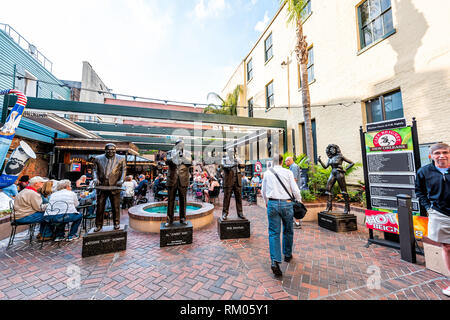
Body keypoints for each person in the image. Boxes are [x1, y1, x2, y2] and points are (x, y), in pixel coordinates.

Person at [415, 143, 450, 297]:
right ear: (431, 156)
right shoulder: (424, 172)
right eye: (437, 153)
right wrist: (429, 208)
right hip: (439, 214)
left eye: (445, 152)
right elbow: (419, 191)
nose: (441, 155)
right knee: (447, 247)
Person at [261, 155, 301, 277]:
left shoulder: (267, 173)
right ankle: (287, 255)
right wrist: (299, 201)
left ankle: (275, 261)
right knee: (288, 230)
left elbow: (263, 191)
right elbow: (295, 190)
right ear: (282, 162)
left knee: (273, 233)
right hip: (287, 204)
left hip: (272, 203)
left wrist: (266, 202)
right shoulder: (287, 172)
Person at [92, 143, 127, 231]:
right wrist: (95, 178)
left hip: (115, 186)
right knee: (100, 207)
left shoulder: (121, 159)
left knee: (115, 207)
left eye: (113, 150)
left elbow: (124, 170)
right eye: (109, 150)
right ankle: (98, 225)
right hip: (102, 186)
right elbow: (94, 170)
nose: (111, 151)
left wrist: (121, 180)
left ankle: (116, 223)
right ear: (105, 150)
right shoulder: (98, 158)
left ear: (115, 150)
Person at [285, 157, 303, 229]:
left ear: (289, 161)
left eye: (286, 161)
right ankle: (295, 222)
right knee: (292, 206)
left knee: (295, 206)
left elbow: (294, 180)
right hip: (293, 190)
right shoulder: (291, 167)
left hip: (294, 190)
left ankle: (297, 223)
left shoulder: (294, 167)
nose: (285, 163)